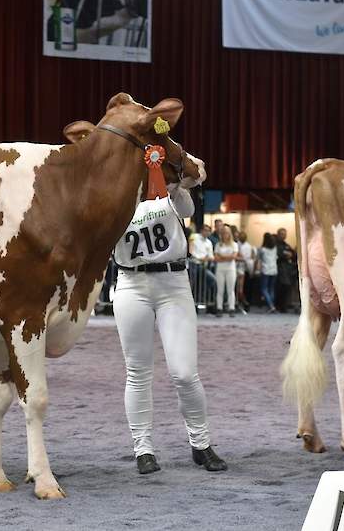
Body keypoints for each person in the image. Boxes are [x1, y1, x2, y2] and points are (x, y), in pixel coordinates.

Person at [112, 184, 227, 475]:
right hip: (130, 282)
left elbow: (188, 209)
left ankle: (201, 444)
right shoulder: (113, 193)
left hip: (173, 282)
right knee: (137, 372)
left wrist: (175, 183)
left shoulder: (168, 189)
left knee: (185, 373)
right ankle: (143, 449)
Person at [213, 225, 238, 317]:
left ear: (229, 234)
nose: (225, 234)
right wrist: (227, 257)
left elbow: (234, 257)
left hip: (231, 269)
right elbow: (216, 258)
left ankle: (232, 308)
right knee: (220, 290)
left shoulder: (234, 244)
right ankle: (219, 308)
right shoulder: (218, 245)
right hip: (220, 269)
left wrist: (222, 256)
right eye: (223, 233)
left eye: (227, 233)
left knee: (230, 290)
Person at [255, 233, 279, 313]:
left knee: (264, 289)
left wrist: (256, 269)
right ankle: (271, 305)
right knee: (271, 289)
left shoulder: (262, 249)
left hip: (265, 270)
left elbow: (258, 259)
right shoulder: (275, 248)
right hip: (274, 270)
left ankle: (271, 306)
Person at [235, 231, 256, 313]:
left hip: (245, 269)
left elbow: (251, 258)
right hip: (237, 267)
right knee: (238, 288)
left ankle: (245, 303)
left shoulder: (249, 246)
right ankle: (241, 303)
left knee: (243, 289)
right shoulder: (236, 245)